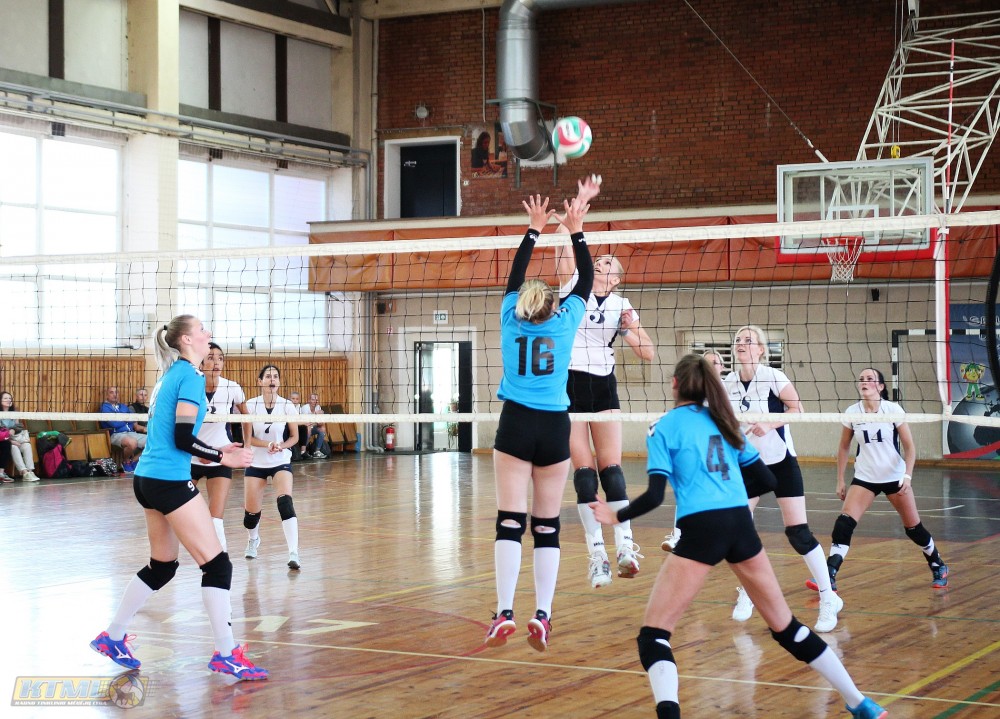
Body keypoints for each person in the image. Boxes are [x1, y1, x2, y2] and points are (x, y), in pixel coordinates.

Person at [590, 354, 888, 719]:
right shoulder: (725, 422)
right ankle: (861, 703)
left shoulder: (663, 427)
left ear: (675, 384)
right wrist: (726, 492)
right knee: (787, 627)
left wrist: (615, 515)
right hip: (739, 524)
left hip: (702, 528)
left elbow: (654, 496)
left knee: (654, 636)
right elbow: (767, 479)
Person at [90, 315, 267, 680]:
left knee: (163, 566)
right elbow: (182, 438)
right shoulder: (189, 376)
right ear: (186, 340)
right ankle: (226, 653)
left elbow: (176, 436)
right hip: (168, 481)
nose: (208, 334)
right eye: (202, 330)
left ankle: (113, 636)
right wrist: (222, 458)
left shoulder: (171, 375)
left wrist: (215, 452)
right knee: (217, 566)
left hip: (148, 478)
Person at [484, 191, 593, 653]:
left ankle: (504, 612)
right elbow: (585, 278)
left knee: (510, 521)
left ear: (523, 304)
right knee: (547, 525)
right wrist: (575, 229)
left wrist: (534, 228)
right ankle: (543, 615)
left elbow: (514, 274)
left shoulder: (510, 320)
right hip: (553, 429)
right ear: (554, 305)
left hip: (515, 424)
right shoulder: (565, 323)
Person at [554, 174, 656, 588]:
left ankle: (625, 545)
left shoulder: (621, 305)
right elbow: (564, 242)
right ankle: (596, 554)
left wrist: (629, 328)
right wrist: (575, 210)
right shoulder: (572, 286)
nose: (601, 264)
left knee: (611, 469)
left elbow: (648, 353)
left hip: (604, 386)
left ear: (616, 279)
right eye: (598, 261)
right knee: (584, 473)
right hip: (570, 385)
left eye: (609, 265)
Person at [723, 325, 842, 632]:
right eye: (738, 340)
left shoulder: (773, 377)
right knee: (737, 531)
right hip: (748, 464)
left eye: (748, 340)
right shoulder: (728, 383)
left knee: (798, 533)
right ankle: (749, 591)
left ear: (761, 349)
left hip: (780, 462)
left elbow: (797, 409)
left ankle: (828, 597)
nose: (741, 344)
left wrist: (770, 423)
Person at [806, 367, 948, 592]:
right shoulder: (852, 412)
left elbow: (910, 447)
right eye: (861, 379)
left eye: (870, 379)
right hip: (865, 477)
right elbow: (843, 447)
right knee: (844, 524)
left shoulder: (893, 410)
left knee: (913, 528)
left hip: (894, 477)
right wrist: (840, 480)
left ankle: (937, 563)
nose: (864, 382)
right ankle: (829, 574)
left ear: (880, 386)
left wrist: (907, 476)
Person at [661, 351, 727, 552]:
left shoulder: (727, 390)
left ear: (722, 367)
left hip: (722, 453)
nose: (710, 365)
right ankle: (678, 535)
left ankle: (724, 536)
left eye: (715, 362)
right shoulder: (694, 391)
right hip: (697, 450)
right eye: (706, 362)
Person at [192, 342, 252, 553]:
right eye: (210, 358)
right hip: (191, 457)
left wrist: (247, 446)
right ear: (201, 363)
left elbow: (247, 418)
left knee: (215, 518)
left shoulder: (232, 387)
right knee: (181, 513)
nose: (216, 362)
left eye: (220, 358)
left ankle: (221, 559)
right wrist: (201, 451)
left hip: (221, 457)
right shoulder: (191, 386)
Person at [243, 364, 303, 570]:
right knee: (250, 516)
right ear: (260, 381)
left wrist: (281, 446)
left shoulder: (287, 405)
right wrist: (267, 444)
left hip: (280, 461)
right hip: (256, 462)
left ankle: (293, 552)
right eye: (268, 376)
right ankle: (253, 539)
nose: (272, 379)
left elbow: (294, 437)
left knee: (285, 502)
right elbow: (248, 438)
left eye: (275, 376)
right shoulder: (250, 405)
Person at [100, 386, 147, 472]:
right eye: (111, 392)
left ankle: (133, 461)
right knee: (132, 442)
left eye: (116, 392)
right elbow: (114, 424)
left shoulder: (123, 407)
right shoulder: (105, 407)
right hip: (116, 434)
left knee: (153, 441)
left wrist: (123, 419)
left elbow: (133, 419)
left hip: (131, 433)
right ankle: (126, 461)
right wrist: (127, 419)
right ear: (107, 395)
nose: (115, 394)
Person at [1, 391, 39, 481]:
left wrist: (13, 429)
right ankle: (24, 472)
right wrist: (11, 441)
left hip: (16, 438)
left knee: (27, 445)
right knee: (13, 447)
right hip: (5, 440)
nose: (8, 400)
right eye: (5, 398)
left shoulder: (14, 413)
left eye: (10, 398)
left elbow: (19, 426)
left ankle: (30, 471)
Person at [305, 393, 329, 458]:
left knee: (322, 429)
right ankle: (303, 451)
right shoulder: (305, 408)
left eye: (316, 400)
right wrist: (315, 414)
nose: (315, 402)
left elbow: (320, 422)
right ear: (309, 400)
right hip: (303, 428)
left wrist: (320, 421)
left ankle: (317, 451)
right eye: (313, 399)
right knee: (308, 429)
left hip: (312, 426)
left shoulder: (318, 407)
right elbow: (306, 422)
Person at [287, 391, 309, 461]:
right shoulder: (287, 406)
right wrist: (303, 422)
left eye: (297, 399)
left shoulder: (299, 407)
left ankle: (303, 451)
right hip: (287, 426)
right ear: (289, 399)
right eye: (293, 398)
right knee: (302, 425)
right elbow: (290, 421)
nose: (295, 400)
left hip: (295, 425)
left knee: (304, 427)